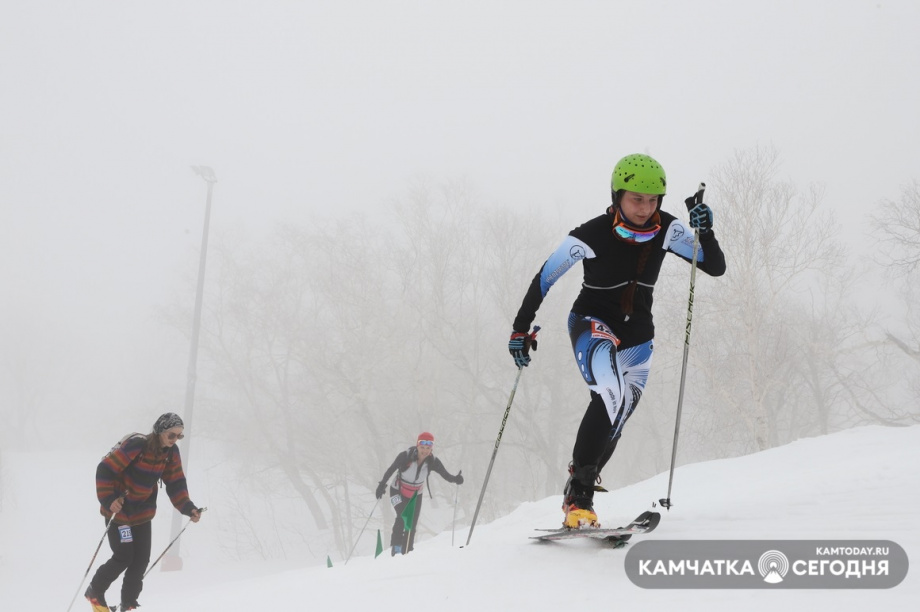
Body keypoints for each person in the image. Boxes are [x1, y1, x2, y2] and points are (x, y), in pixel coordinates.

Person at [508, 154, 726, 529]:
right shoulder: (590, 234)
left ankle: (580, 480)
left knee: (619, 413)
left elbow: (714, 266)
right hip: (591, 324)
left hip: (638, 336)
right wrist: (519, 329)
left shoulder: (668, 230)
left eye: (653, 200)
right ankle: (580, 500)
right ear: (618, 195)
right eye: (636, 199)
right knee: (609, 392)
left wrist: (704, 231)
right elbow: (545, 277)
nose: (645, 208)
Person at [84, 413, 202, 612]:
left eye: (179, 436)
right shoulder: (137, 446)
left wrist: (188, 508)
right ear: (159, 431)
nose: (175, 440)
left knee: (140, 561)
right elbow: (105, 470)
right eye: (171, 435)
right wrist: (109, 500)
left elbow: (175, 482)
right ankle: (95, 592)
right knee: (124, 556)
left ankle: (127, 604)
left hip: (142, 514)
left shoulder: (170, 453)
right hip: (120, 513)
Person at [375, 432, 463, 555]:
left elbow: (445, 475)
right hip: (397, 491)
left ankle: (408, 551)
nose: (425, 451)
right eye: (422, 447)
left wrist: (456, 479)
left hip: (416, 495)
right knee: (403, 515)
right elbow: (391, 469)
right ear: (417, 446)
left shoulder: (433, 462)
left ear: (431, 448)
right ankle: (396, 547)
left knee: (412, 523)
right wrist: (382, 484)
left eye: (428, 448)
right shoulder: (405, 456)